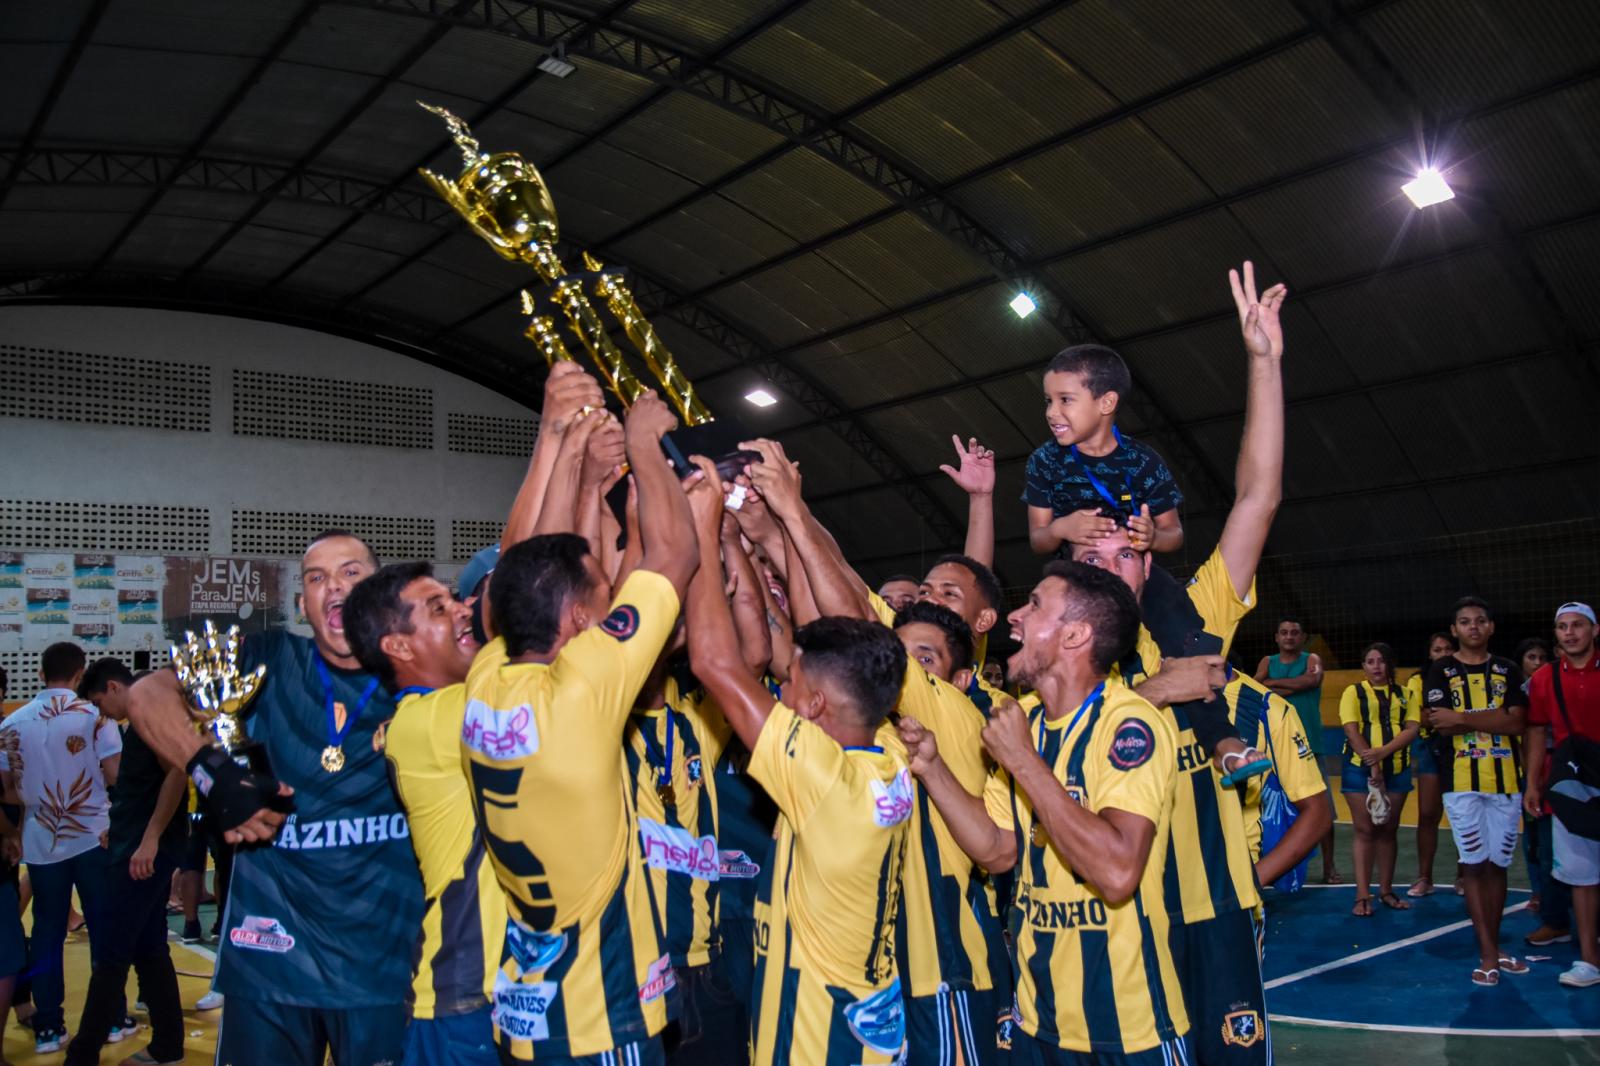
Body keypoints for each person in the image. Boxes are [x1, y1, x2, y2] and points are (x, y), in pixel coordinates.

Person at [1068, 260, 1300, 1066]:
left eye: (1115, 537)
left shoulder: (1196, 611)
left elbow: (1257, 496)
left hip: (1216, 901)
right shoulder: (1077, 660)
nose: (1105, 548)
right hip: (1121, 908)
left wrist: (1262, 362)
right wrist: (1159, 691)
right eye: (1087, 548)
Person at [461, 390, 699, 1064]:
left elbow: (526, 563)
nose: (608, 599)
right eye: (600, 592)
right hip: (603, 1018)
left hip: (526, 1012)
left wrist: (576, 463)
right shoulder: (583, 688)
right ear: (577, 624)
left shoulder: (485, 680)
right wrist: (647, 446)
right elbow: (674, 558)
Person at [128, 529, 423, 1064]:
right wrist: (211, 771)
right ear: (303, 603)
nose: (334, 586)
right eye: (317, 578)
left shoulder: (420, 675)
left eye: (351, 572)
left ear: (377, 588)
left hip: (387, 969)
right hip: (269, 964)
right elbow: (145, 695)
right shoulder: (267, 658)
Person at [899, 560, 1190, 1064]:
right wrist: (932, 768)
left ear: (1075, 635)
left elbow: (1118, 871)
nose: (1015, 617)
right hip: (1038, 1021)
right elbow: (996, 849)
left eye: (1034, 606)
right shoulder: (1025, 719)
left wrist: (1023, 762)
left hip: (1126, 1029)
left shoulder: (1130, 723)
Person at [682, 454, 915, 1066]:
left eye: (788, 686)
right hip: (860, 1029)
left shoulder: (823, 778)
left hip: (819, 1041)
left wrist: (706, 534)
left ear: (813, 706)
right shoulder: (885, 753)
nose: (780, 691)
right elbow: (844, 636)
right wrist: (775, 523)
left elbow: (716, 666)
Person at [343, 561, 501, 1065]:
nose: (463, 610)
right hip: (466, 993)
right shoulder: (432, 719)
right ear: (400, 646)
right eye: (439, 608)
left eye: (455, 599)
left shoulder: (446, 708)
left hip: (500, 991)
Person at [0, 641, 124, 1054]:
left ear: (40, 674)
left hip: (40, 839)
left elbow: (7, 792)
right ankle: (111, 1018)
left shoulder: (11, 723)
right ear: (79, 674)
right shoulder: (96, 718)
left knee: (47, 933)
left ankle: (49, 1027)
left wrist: (33, 810)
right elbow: (115, 776)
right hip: (94, 834)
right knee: (105, 928)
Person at [67, 660, 188, 1066]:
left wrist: (149, 838)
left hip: (144, 853)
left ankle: (82, 1056)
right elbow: (141, 787)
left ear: (115, 687)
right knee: (148, 948)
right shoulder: (136, 720)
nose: (103, 712)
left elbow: (176, 772)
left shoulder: (149, 713)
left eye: (101, 702)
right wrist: (121, 830)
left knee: (112, 954)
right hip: (134, 844)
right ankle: (168, 1045)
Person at [1423, 596, 1528, 987]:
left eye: (1480, 621)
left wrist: (1463, 717)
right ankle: (1487, 953)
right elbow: (1441, 724)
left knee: (1497, 866)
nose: (1473, 627)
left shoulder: (1508, 669)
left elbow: (1517, 723)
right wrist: (1492, 719)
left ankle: (1495, 946)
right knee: (1474, 864)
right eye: (1464, 622)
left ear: (1491, 627)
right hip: (1460, 782)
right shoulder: (1442, 669)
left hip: (1505, 782)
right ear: (1455, 630)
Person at [1024, 345, 1184, 557]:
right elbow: (1038, 540)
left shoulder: (1144, 461)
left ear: (1107, 403)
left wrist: (1154, 537)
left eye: (1065, 400)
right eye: (1048, 401)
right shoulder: (1044, 461)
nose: (1051, 412)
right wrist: (1059, 529)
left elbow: (1174, 534)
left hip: (1129, 579)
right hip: (1071, 579)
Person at [1523, 603, 1600, 988]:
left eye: (1578, 625)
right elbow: (1536, 731)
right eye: (1562, 627)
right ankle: (1589, 961)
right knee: (1582, 875)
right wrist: (1533, 784)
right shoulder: (1543, 680)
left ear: (1594, 630)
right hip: (1573, 788)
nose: (1570, 633)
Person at [1338, 643, 1420, 917]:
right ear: (1363, 666)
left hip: (1397, 769)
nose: (1376, 666)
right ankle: (1362, 894)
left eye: (1381, 661)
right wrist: (1373, 764)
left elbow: (1412, 728)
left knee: (1388, 829)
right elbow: (1351, 729)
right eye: (1370, 661)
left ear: (1390, 665)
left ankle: (1386, 890)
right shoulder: (1353, 692)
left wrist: (1384, 753)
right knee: (1365, 830)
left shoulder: (1406, 694)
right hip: (1357, 769)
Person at [1256, 617, 1335, 883]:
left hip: (1308, 745)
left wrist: (1273, 685)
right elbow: (1255, 688)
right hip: (1274, 748)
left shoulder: (1311, 659)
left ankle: (1329, 867)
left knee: (1321, 809)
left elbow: (1310, 682)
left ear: (1302, 637)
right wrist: (1287, 684)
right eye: (1284, 632)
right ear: (1277, 637)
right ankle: (1272, 868)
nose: (1289, 636)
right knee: (1266, 810)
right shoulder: (1268, 662)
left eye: (1295, 632)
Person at [1405, 632, 1456, 897]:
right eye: (1438, 650)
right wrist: (1456, 718)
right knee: (1427, 814)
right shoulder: (1417, 680)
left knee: (1462, 815)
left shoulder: (1462, 676)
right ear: (1430, 654)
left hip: (1462, 750)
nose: (1444, 654)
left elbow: (1431, 714)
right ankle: (1425, 877)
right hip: (1430, 749)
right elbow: (1420, 718)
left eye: (1448, 649)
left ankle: (1465, 876)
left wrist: (1440, 716)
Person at [1512, 638, 1553, 920]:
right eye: (1531, 657)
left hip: (1559, 767)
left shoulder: (1555, 685)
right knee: (1535, 839)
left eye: (1542, 657)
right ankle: (1540, 891)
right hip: (1528, 772)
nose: (1537, 663)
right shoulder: (1517, 694)